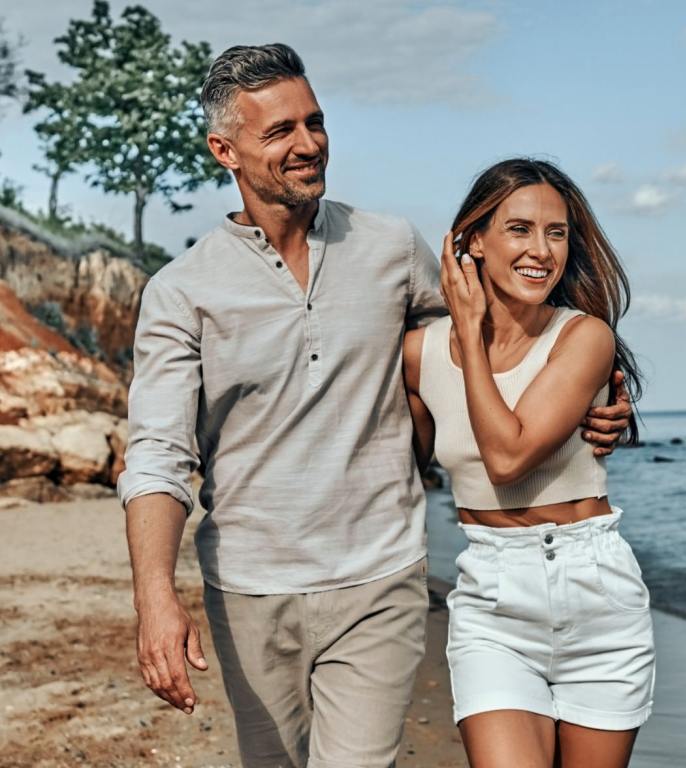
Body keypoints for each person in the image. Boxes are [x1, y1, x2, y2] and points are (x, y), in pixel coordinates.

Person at [117, 45, 632, 768]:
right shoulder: (182, 290)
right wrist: (156, 598)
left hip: (381, 578)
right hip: (251, 587)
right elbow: (158, 457)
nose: (308, 144)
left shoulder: (390, 247)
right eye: (281, 132)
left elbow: (498, 333)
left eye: (315, 122)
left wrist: (600, 402)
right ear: (223, 150)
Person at [403, 159, 655, 768]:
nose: (541, 250)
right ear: (473, 240)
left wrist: (467, 328)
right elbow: (398, 467)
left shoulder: (584, 338)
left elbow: (508, 455)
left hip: (596, 593)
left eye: (557, 232)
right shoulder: (418, 355)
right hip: (493, 599)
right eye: (519, 229)